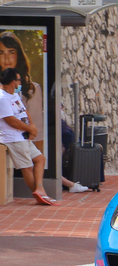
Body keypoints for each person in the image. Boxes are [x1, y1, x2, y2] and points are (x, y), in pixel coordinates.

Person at [0, 68, 56, 205]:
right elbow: (10, 120)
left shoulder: (14, 94)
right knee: (27, 167)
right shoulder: (2, 98)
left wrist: (32, 126)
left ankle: (40, 189)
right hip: (13, 138)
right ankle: (40, 196)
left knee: (40, 158)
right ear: (13, 82)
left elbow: (23, 111)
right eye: (19, 80)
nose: (20, 83)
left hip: (23, 136)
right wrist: (29, 128)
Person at [0, 32, 44, 153]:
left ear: (18, 55)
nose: (6, 58)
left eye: (11, 52)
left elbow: (38, 132)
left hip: (23, 150)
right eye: (1, 53)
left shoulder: (32, 89)